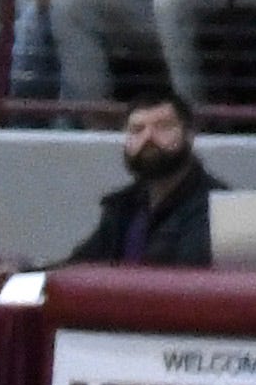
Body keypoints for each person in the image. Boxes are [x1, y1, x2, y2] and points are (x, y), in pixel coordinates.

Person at [67, 95, 219, 267]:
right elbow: (78, 267)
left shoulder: (215, 208)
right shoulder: (123, 207)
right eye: (137, 129)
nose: (148, 137)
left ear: (189, 136)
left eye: (163, 127)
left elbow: (187, 280)